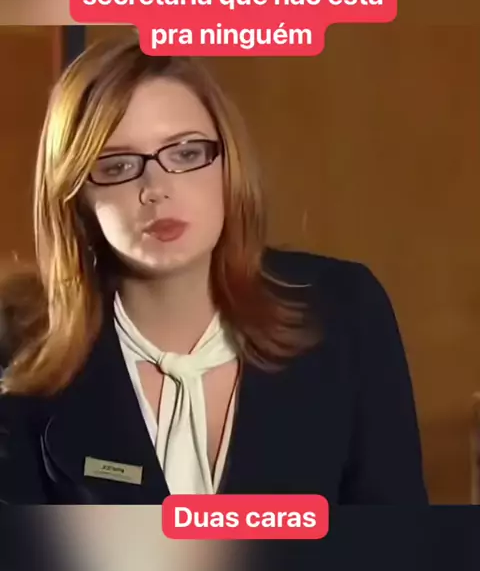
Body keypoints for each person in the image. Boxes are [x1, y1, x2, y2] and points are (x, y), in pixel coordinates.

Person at [0, 36, 428, 504]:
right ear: (76, 195)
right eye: (118, 165)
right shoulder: (19, 348)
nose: (156, 188)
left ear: (229, 164)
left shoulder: (345, 309)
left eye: (186, 154)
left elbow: (398, 539)